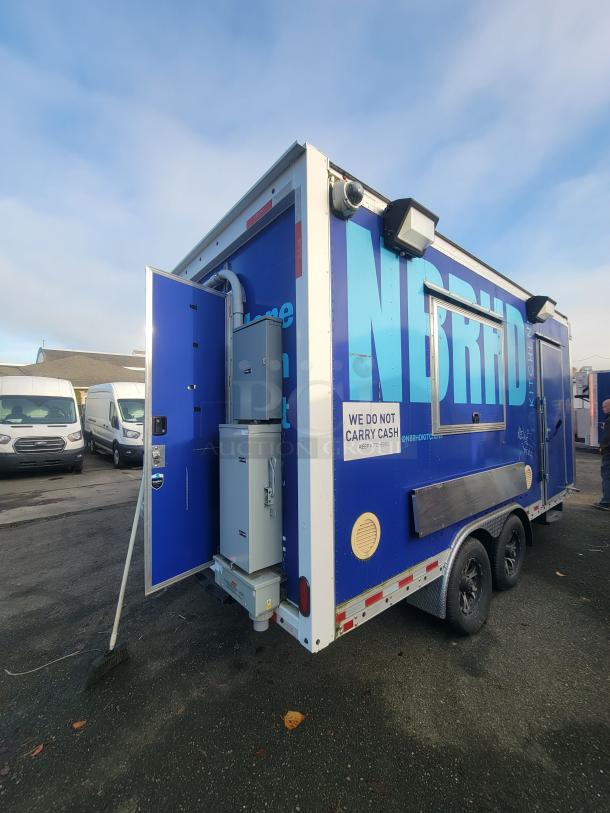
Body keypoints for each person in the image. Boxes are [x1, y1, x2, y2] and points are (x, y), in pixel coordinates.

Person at [594, 398, 610, 511]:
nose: (602, 408)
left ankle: (606, 502)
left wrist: (602, 448)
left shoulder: (609, 420)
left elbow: (607, 438)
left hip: (609, 453)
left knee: (607, 476)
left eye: (604, 406)